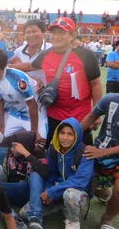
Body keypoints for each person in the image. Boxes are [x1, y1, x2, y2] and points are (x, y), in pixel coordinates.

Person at [29, 17, 102, 146]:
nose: (57, 37)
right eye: (54, 33)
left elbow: (95, 84)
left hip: (81, 116)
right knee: (54, 153)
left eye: (62, 33)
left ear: (72, 35)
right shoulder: (45, 55)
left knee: (81, 156)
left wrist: (96, 113)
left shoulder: (86, 55)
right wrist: (6, 66)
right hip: (54, 116)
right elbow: (30, 67)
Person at [31, 117, 94, 229]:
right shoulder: (54, 149)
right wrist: (47, 190)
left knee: (70, 195)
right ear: (57, 134)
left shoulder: (86, 152)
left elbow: (81, 180)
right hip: (57, 188)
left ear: (77, 135)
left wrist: (52, 191)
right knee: (25, 213)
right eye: (62, 133)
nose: (65, 137)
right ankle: (59, 206)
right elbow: (51, 174)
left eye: (70, 134)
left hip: (77, 193)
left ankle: (72, 223)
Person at [0, 48, 43, 142]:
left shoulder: (17, 78)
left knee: (38, 144)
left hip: (35, 114)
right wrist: (2, 126)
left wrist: (34, 132)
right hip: (16, 113)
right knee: (2, 139)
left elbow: (33, 106)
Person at [81, 94, 119, 229]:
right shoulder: (110, 99)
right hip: (100, 154)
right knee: (92, 187)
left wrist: (103, 152)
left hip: (109, 155)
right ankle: (104, 193)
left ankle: (107, 219)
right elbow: (90, 118)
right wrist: (73, 136)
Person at [0, 131, 49, 229]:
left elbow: (45, 173)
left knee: (35, 175)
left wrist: (26, 153)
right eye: (12, 146)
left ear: (25, 146)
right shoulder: (11, 153)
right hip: (16, 190)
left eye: (15, 146)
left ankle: (35, 218)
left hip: (34, 193)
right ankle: (14, 220)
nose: (12, 148)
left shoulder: (39, 154)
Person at [9, 19, 52, 88]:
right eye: (28, 32)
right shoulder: (18, 52)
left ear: (43, 33)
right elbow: (14, 72)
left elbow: (30, 66)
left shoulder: (51, 49)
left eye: (34, 31)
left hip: (46, 94)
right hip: (25, 95)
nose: (31, 35)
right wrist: (31, 79)